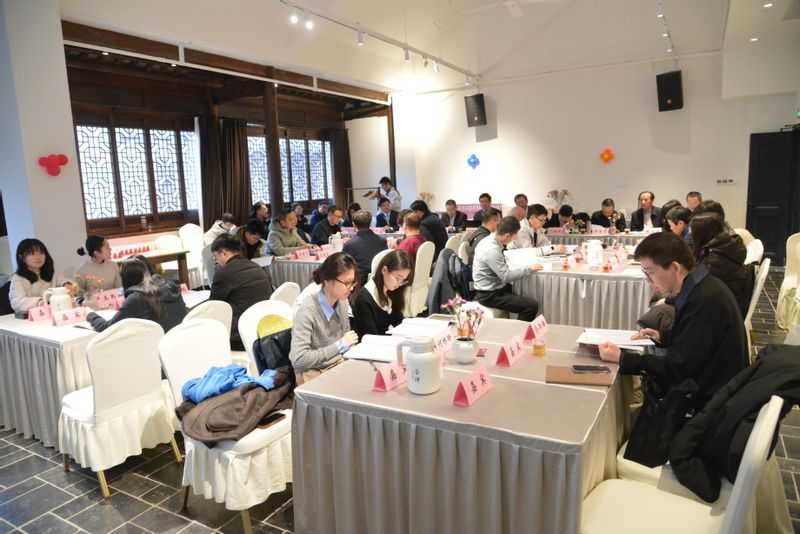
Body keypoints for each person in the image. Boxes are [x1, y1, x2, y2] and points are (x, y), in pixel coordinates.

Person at [598, 231, 748, 418]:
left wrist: (622, 358)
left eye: (650, 272)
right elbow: (696, 341)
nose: (648, 280)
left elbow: (677, 368)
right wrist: (662, 336)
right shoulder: (699, 284)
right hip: (717, 386)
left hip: (712, 404)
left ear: (675, 268)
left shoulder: (703, 300)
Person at [290, 252, 360, 384]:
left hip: (338, 365)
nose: (350, 288)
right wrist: (340, 346)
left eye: (352, 282)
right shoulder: (308, 310)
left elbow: (346, 345)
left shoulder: (342, 302)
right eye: (346, 283)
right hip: (314, 372)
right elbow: (299, 359)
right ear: (327, 280)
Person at [84, 256, 187, 333]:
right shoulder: (171, 286)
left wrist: (90, 314)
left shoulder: (137, 298)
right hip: (178, 343)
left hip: (154, 348)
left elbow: (108, 329)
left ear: (126, 278)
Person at [208, 234, 273, 350]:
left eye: (215, 257)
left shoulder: (223, 273)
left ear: (224, 253)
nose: (216, 261)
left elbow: (214, 306)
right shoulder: (256, 266)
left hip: (240, 335)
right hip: (264, 328)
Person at [472, 216, 543, 321]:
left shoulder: (488, 240)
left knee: (525, 292)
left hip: (493, 288)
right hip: (489, 295)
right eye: (515, 236)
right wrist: (529, 268)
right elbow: (506, 276)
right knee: (531, 306)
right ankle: (518, 331)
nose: (515, 238)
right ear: (507, 236)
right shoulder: (492, 249)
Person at [691, 213, 748, 314]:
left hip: (719, 310)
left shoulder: (715, 259)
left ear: (702, 234)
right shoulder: (727, 246)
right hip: (728, 301)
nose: (690, 232)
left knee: (663, 307)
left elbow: (697, 291)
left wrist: (668, 299)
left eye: (692, 230)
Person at [351, 250, 414, 339]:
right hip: (371, 344)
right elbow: (371, 337)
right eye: (397, 278)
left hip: (384, 341)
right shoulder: (364, 299)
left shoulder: (391, 291)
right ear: (384, 270)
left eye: (403, 280)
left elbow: (399, 322)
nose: (399, 284)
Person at [10, 238, 73, 313]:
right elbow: (17, 302)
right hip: (31, 316)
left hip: (54, 312)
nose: (38, 257)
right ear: (22, 258)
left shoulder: (53, 272)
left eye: (41, 252)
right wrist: (40, 302)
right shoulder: (17, 278)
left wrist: (67, 284)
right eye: (32, 254)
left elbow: (65, 281)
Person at [342, 210, 388, 284]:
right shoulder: (383, 241)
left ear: (354, 225)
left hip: (359, 283)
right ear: (370, 223)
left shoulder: (349, 244)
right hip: (379, 280)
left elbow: (344, 266)